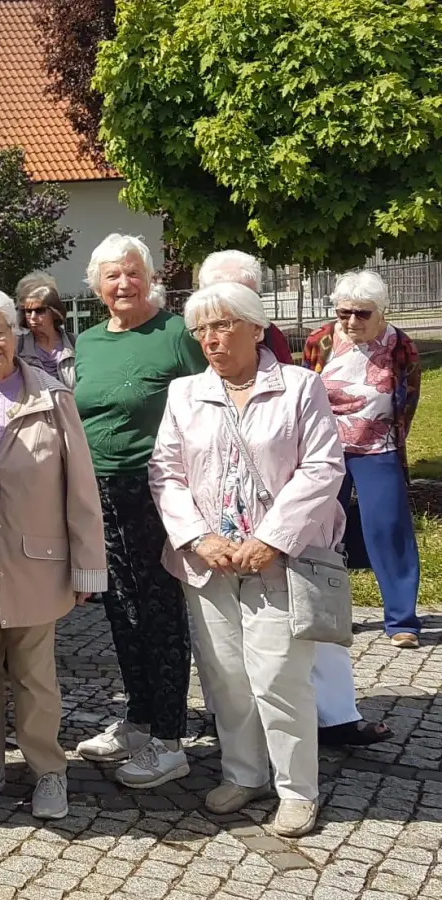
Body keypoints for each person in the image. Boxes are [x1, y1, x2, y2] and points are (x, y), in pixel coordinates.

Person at [149, 282, 345, 837]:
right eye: (201, 329)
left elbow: (322, 469)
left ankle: (297, 789)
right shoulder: (185, 393)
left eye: (224, 325)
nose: (211, 339)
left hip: (280, 559)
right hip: (210, 561)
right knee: (226, 675)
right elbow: (166, 473)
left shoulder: (300, 387)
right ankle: (244, 772)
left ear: (257, 328)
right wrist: (196, 538)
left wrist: (272, 539)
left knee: (279, 675)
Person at [199, 252, 390, 747]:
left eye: (238, 298)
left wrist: (280, 526)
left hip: (292, 503)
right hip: (219, 510)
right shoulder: (200, 346)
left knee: (314, 611)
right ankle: (236, 720)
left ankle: (333, 716)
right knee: (230, 642)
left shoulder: (275, 345)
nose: (215, 327)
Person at [0, 287, 106, 821]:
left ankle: (49, 771)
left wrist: (87, 563)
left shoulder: (53, 397)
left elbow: (81, 489)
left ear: (15, 331)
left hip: (37, 561)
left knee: (36, 676)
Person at [71, 234, 209, 788]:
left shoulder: (175, 334)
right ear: (96, 285)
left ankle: (170, 738)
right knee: (120, 612)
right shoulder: (89, 342)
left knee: (159, 612)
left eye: (133, 273)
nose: (123, 283)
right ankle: (138, 717)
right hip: (98, 492)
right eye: (111, 275)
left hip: (155, 491)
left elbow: (207, 404)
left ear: (149, 277)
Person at [303, 270, 423, 650]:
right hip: (325, 450)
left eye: (362, 313)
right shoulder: (320, 341)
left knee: (388, 529)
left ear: (381, 312)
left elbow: (410, 398)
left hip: (378, 447)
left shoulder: (400, 346)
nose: (352, 321)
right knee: (322, 531)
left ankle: (402, 620)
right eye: (343, 313)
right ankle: (328, 614)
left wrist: (395, 437)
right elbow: (305, 391)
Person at [196, 252, 295, 364]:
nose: (246, 306)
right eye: (235, 300)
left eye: (251, 297)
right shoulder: (186, 340)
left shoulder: (269, 333)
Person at [13, 272, 77, 387]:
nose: (32, 317)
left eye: (39, 310)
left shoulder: (76, 344)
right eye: (28, 311)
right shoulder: (17, 348)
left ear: (54, 311)